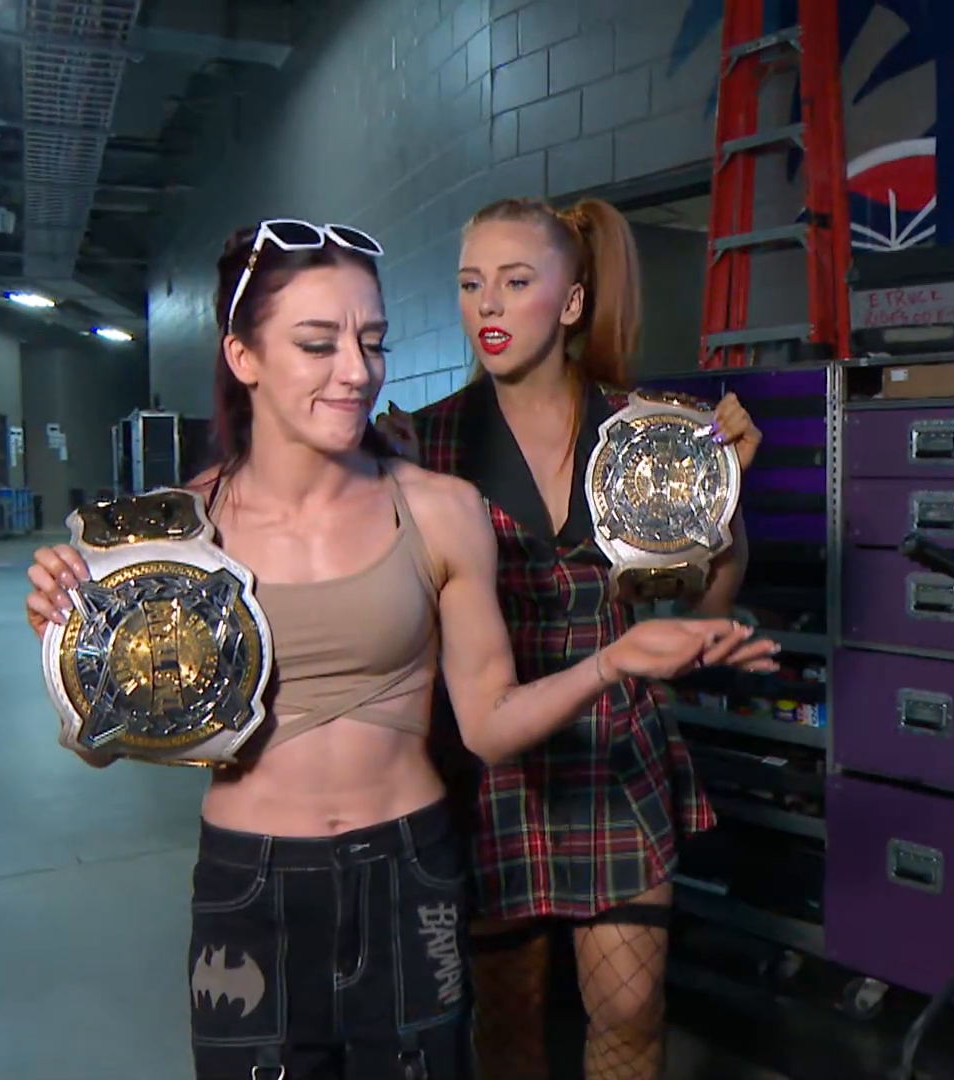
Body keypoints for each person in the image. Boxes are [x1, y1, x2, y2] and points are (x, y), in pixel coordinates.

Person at [20, 219, 778, 1080]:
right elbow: (100, 746)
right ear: (243, 355)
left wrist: (618, 658)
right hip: (251, 882)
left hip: (412, 869)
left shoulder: (442, 505)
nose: (357, 370)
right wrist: (72, 648)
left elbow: (489, 721)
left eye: (372, 342)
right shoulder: (173, 537)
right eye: (318, 343)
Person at [376, 196, 762, 1080]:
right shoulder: (424, 445)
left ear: (573, 302)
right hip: (488, 761)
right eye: (472, 284)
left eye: (516, 282)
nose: (488, 305)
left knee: (630, 1007)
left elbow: (701, 610)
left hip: (613, 746)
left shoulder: (646, 433)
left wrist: (722, 510)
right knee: (510, 1025)